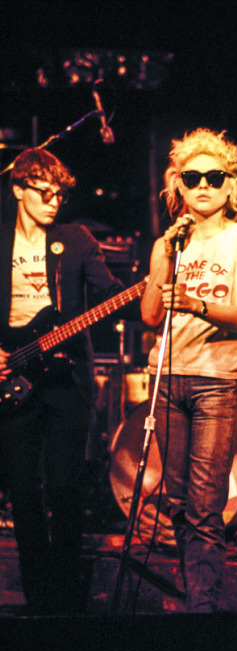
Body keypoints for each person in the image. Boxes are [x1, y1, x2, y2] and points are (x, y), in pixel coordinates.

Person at [141, 128, 237, 613]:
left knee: (205, 507)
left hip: (215, 382)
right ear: (180, 187)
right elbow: (151, 314)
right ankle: (192, 605)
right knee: (174, 503)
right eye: (193, 178)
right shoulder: (167, 244)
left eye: (215, 177)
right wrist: (163, 261)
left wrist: (192, 301)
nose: (204, 186)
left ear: (232, 185)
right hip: (166, 379)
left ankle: (202, 619)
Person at [0, 147, 124, 614]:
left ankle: (68, 598)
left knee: (65, 486)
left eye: (60, 195)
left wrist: (147, 290)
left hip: (66, 376)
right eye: (44, 192)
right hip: (12, 374)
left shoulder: (75, 239)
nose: (54, 202)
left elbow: (110, 292)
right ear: (18, 189)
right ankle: (37, 596)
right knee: (24, 489)